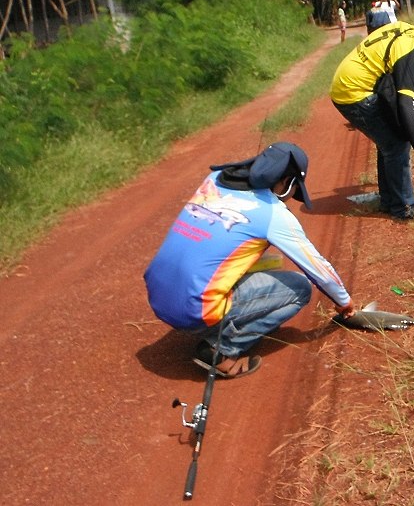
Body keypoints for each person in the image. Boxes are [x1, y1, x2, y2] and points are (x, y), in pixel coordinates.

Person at [144, 142, 355, 379]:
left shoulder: (213, 179)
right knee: (300, 287)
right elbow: (318, 269)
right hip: (194, 312)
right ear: (286, 182)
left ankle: (213, 321)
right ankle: (221, 350)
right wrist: (343, 302)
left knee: (244, 258)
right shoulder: (274, 213)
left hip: (156, 295)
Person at [330, 21, 414, 221]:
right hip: (353, 93)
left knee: (388, 141)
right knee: (397, 145)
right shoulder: (409, 52)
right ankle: (404, 208)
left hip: (348, 83)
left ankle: (390, 200)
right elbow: (406, 103)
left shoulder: (407, 31)